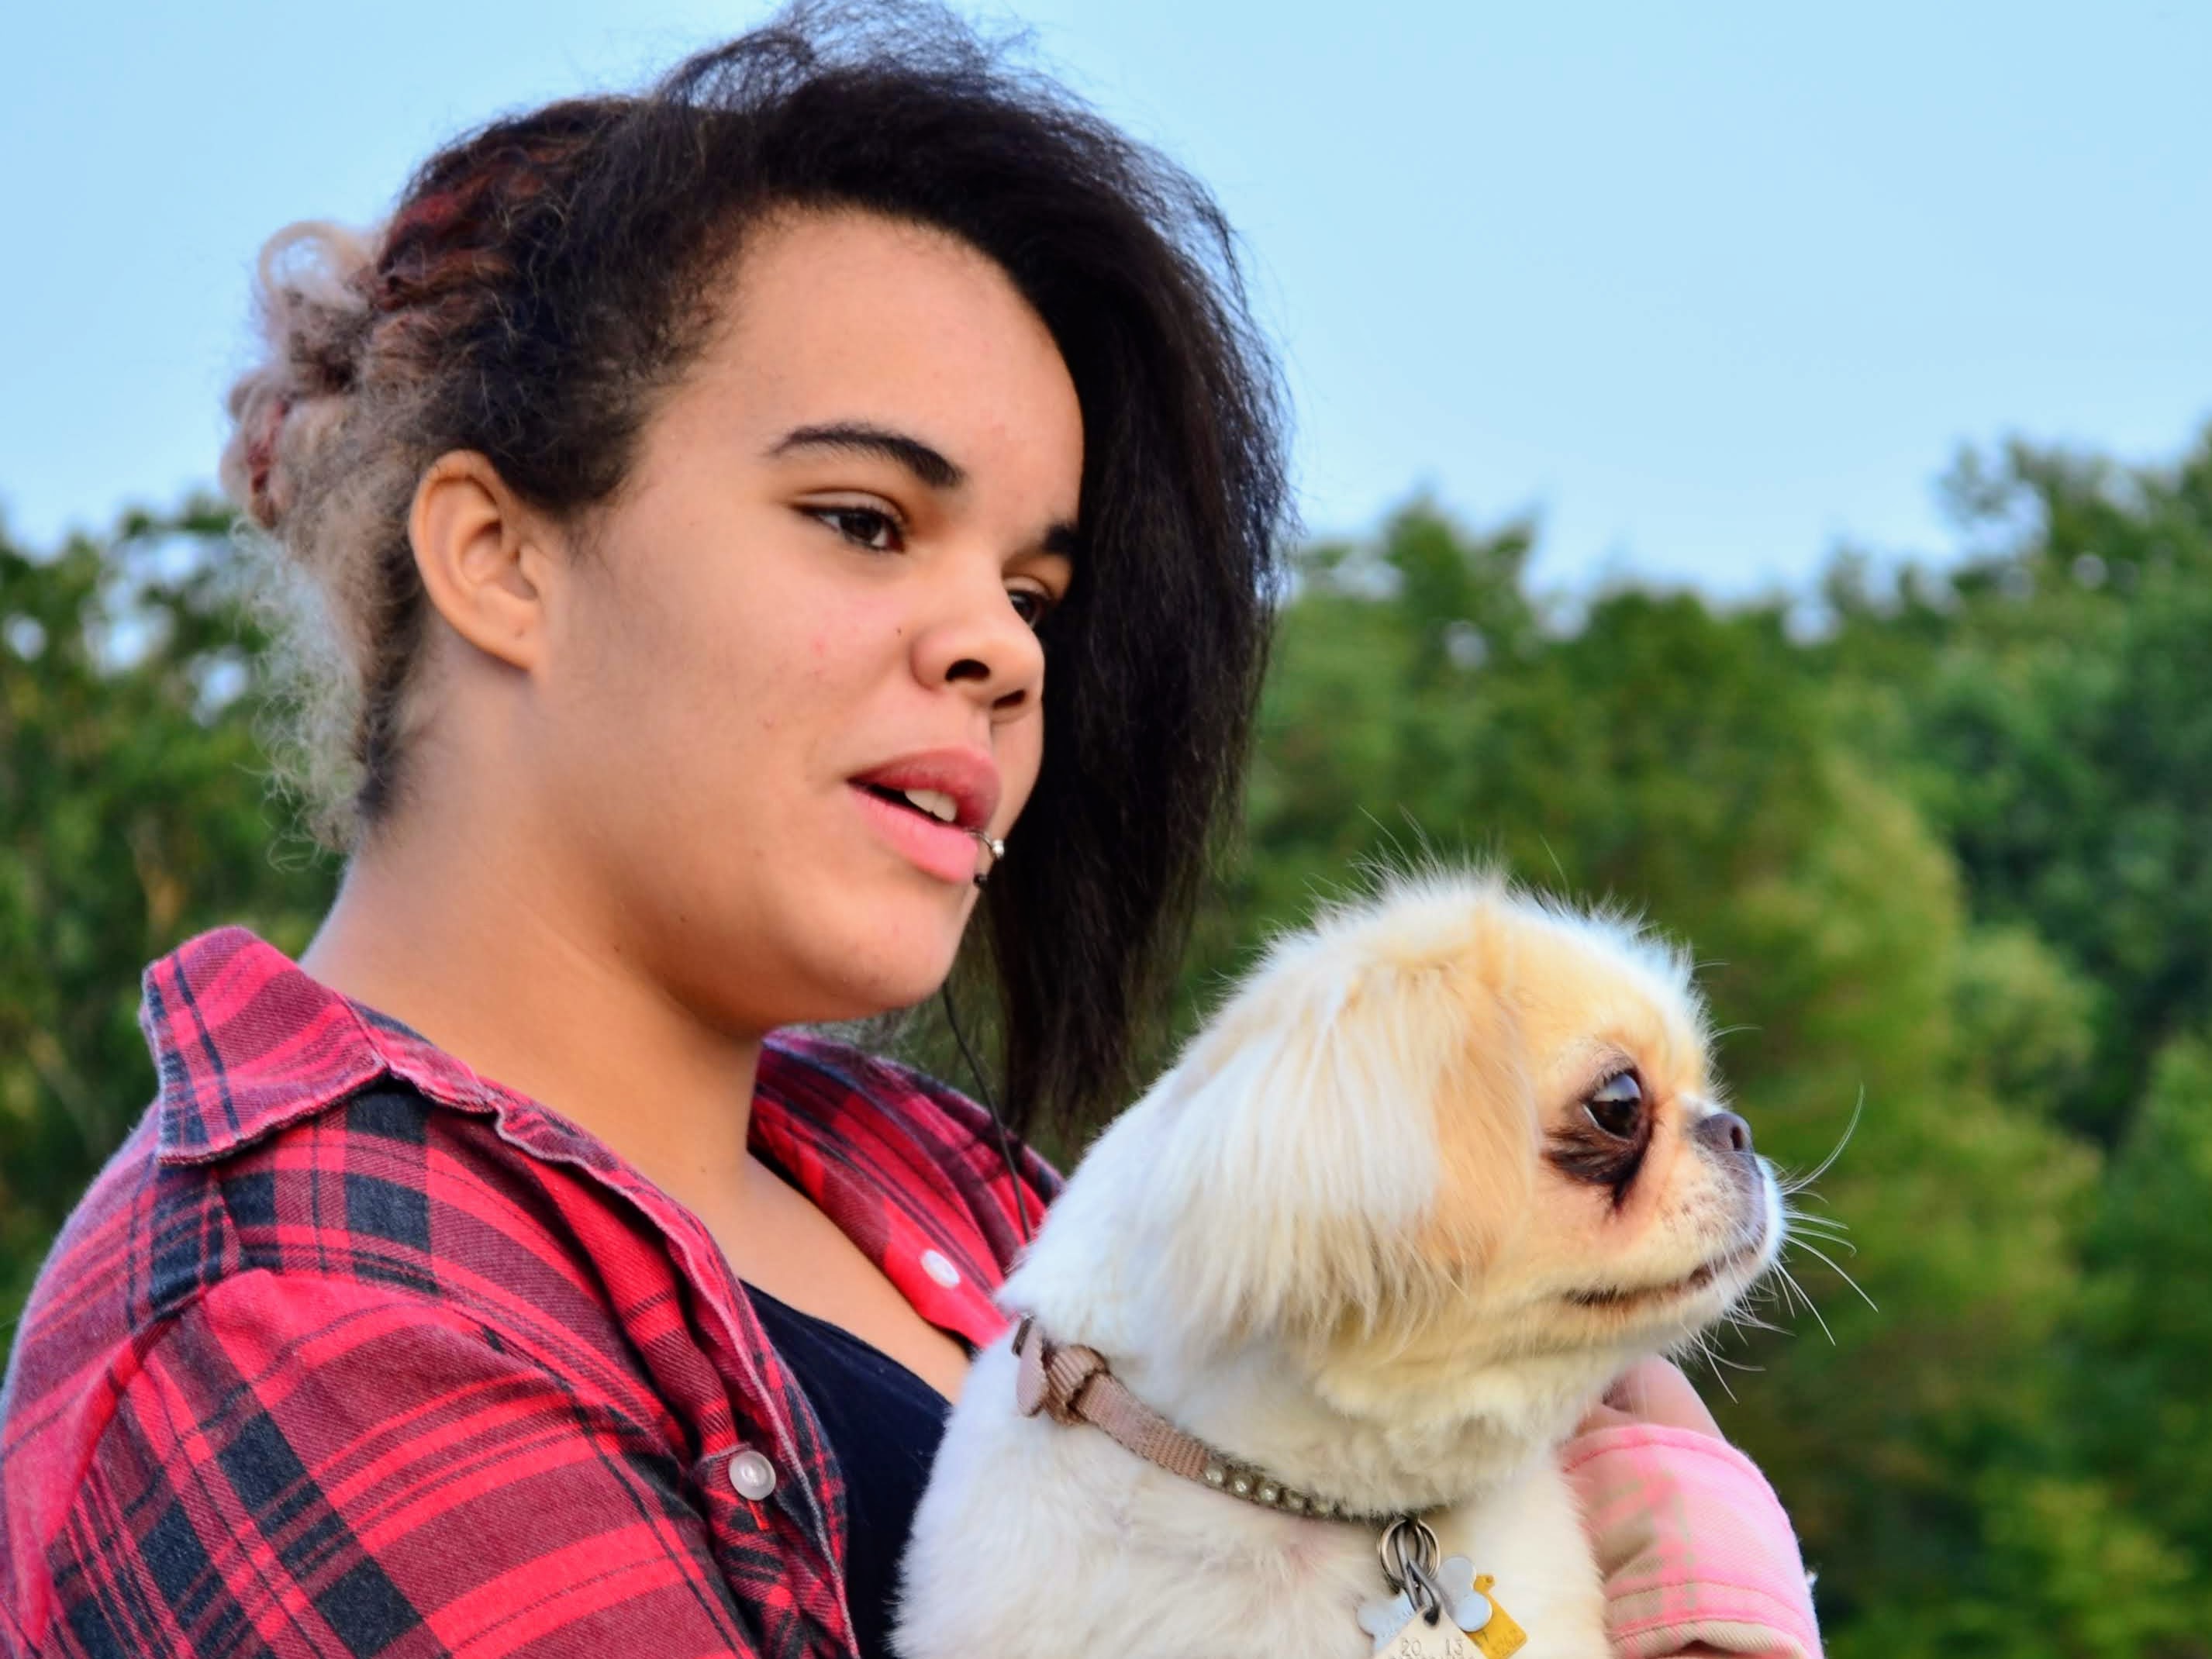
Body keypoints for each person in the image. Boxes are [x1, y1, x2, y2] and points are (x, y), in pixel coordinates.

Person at [0, 7, 1823, 1657]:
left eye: (1035, 584)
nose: (1002, 648)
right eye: (866, 518)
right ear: (498, 555)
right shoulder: (294, 1335)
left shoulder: (926, 1182)